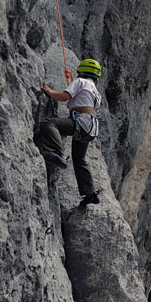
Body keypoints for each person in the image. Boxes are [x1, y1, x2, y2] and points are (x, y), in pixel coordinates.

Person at [36, 58, 103, 207]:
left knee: (49, 123)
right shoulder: (96, 92)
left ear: (80, 73)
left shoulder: (80, 82)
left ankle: (58, 153)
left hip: (81, 123)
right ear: (96, 79)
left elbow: (64, 97)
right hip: (91, 129)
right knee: (79, 159)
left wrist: (50, 92)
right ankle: (90, 193)